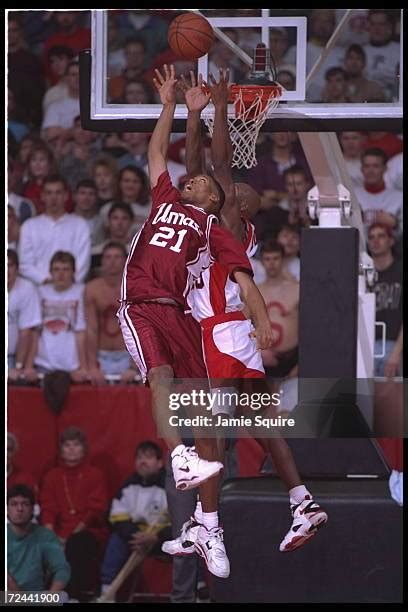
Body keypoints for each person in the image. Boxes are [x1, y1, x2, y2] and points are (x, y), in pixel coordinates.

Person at [161, 71, 327, 577]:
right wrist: (192, 114)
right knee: (259, 421)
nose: (199, 183)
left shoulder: (228, 220)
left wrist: (219, 109)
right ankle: (302, 501)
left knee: (210, 436)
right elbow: (195, 169)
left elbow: (217, 166)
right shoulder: (206, 219)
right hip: (232, 336)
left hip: (221, 334)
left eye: (217, 188)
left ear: (234, 204)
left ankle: (208, 525)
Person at [116, 65, 272, 573]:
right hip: (142, 302)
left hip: (186, 316)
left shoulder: (217, 228)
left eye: (201, 180)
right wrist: (173, 107)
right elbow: (157, 154)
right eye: (192, 177)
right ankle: (179, 455)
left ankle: (208, 524)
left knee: (210, 420)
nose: (193, 177)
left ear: (216, 198)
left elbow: (243, 277)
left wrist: (260, 316)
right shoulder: (166, 197)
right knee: (160, 377)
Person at [40, 426, 109, 602]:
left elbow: (95, 511)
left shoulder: (95, 475)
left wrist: (67, 538)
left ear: (83, 448)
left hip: (87, 532)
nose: (71, 448)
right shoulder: (52, 476)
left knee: (76, 545)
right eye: (67, 445)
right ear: (61, 450)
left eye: (76, 444)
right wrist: (51, 538)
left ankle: (73, 596)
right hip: (57, 533)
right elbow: (47, 510)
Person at [100, 441, 171, 600]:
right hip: (136, 539)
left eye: (148, 457)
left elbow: (183, 522)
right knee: (116, 541)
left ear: (160, 463)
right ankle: (107, 592)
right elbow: (117, 516)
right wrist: (136, 535)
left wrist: (157, 537)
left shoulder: (172, 487)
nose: (142, 461)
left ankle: (197, 590)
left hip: (162, 539)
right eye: (139, 457)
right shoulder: (128, 486)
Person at [18, 174, 91, 285]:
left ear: (66, 196)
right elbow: (25, 264)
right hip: (38, 290)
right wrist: (46, 281)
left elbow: (84, 261)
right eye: (49, 193)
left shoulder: (80, 225)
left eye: (58, 193)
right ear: (42, 196)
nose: (53, 198)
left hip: (73, 289)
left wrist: (69, 282)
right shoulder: (29, 226)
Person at [85, 242, 136, 384]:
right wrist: (92, 366)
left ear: (126, 260)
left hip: (127, 356)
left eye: (117, 257)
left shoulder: (135, 288)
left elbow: (139, 328)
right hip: (101, 356)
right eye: (108, 257)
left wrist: (135, 366)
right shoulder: (92, 289)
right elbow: (91, 330)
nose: (112, 261)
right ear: (102, 261)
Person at [7, 484, 70, 594]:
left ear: (33, 509)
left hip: (36, 596)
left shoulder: (45, 536)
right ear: (7, 509)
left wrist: (51, 597)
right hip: (6, 596)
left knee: (63, 596)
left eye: (25, 504)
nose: (20, 509)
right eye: (14, 504)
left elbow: (62, 569)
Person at [367, 223, 402, 378]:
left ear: (391, 241)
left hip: (394, 345)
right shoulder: (362, 273)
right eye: (371, 237)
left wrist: (396, 353)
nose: (375, 240)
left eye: (381, 236)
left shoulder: (400, 271)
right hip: (365, 345)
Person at [7, 249, 41, 383]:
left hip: (15, 358)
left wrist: (19, 366)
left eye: (10, 265)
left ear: (17, 269)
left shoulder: (27, 288)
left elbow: (28, 332)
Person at [355, 148, 402, 235]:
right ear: (361, 169)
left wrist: (395, 224)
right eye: (367, 166)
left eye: (376, 166)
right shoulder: (352, 196)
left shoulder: (399, 198)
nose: (370, 171)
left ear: (385, 168)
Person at [363, 10, 400, 101]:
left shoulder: (400, 50)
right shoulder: (360, 51)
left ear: (389, 26)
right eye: (373, 24)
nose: (377, 28)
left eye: (381, 24)